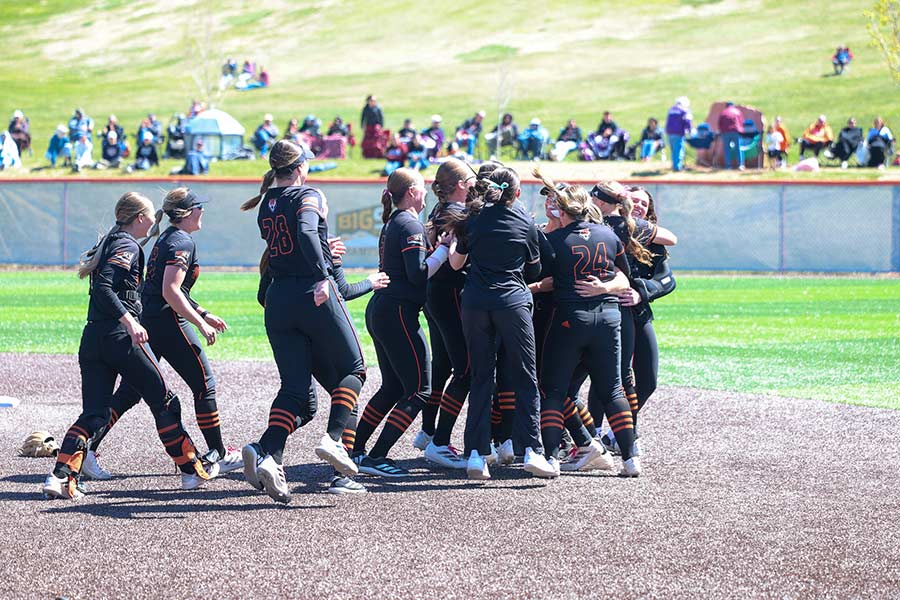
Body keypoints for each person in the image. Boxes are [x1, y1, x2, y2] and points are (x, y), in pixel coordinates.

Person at [41, 192, 214, 499]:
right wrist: (130, 321)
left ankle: (60, 476)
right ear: (139, 219)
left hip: (92, 338)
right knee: (165, 401)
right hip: (118, 339)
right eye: (149, 215)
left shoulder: (113, 242)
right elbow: (105, 287)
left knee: (94, 414)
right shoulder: (126, 244)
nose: (153, 219)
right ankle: (191, 472)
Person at [85, 188, 242, 486]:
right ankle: (218, 453)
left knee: (131, 392)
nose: (202, 212)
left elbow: (166, 288)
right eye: (198, 207)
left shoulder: (168, 238)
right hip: (168, 322)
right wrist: (200, 324)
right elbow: (170, 291)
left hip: (151, 319)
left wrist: (203, 312)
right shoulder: (181, 240)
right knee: (204, 385)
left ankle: (89, 446)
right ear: (186, 212)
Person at [240, 139, 366, 504]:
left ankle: (268, 454)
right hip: (310, 293)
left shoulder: (267, 202)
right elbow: (307, 233)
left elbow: (294, 242)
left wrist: (321, 253)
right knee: (354, 369)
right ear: (299, 167)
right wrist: (323, 274)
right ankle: (334, 438)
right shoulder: (307, 194)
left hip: (278, 298)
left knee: (295, 390)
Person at [448, 167, 556, 480]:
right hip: (512, 301)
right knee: (525, 376)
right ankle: (531, 450)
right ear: (516, 192)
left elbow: (457, 263)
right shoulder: (525, 220)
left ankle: (475, 456)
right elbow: (535, 270)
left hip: (476, 302)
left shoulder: (473, 218)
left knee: (482, 378)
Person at [530, 172, 634, 475]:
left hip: (570, 320)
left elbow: (546, 281)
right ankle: (630, 457)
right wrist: (603, 288)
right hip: (608, 318)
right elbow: (624, 278)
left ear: (561, 211)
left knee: (552, 389)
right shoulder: (609, 235)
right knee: (613, 390)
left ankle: (551, 458)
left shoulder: (553, 239)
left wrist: (531, 289)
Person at [352, 169, 452, 477]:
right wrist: (445, 251)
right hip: (397, 312)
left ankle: (355, 451)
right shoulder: (408, 222)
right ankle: (376, 456)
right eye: (422, 189)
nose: (426, 195)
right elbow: (417, 274)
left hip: (384, 309)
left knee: (394, 386)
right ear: (411, 192)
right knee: (420, 390)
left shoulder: (397, 221)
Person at [416, 161, 477, 468]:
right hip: (449, 295)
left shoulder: (440, 210)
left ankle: (428, 432)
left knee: (441, 365)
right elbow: (456, 262)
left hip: (436, 295)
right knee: (464, 370)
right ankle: (440, 442)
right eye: (472, 181)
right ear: (461, 185)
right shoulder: (457, 213)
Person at [665, 97, 692, 171]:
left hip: (669, 132)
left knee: (673, 150)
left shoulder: (671, 109)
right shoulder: (685, 110)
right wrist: (689, 130)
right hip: (678, 132)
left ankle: (675, 165)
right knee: (678, 149)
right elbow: (688, 121)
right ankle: (677, 167)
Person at [718, 102, 744, 170]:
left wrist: (721, 131)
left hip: (726, 132)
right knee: (738, 148)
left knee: (727, 149)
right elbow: (741, 122)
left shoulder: (723, 112)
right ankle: (740, 165)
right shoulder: (737, 111)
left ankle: (728, 166)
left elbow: (720, 123)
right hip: (736, 132)